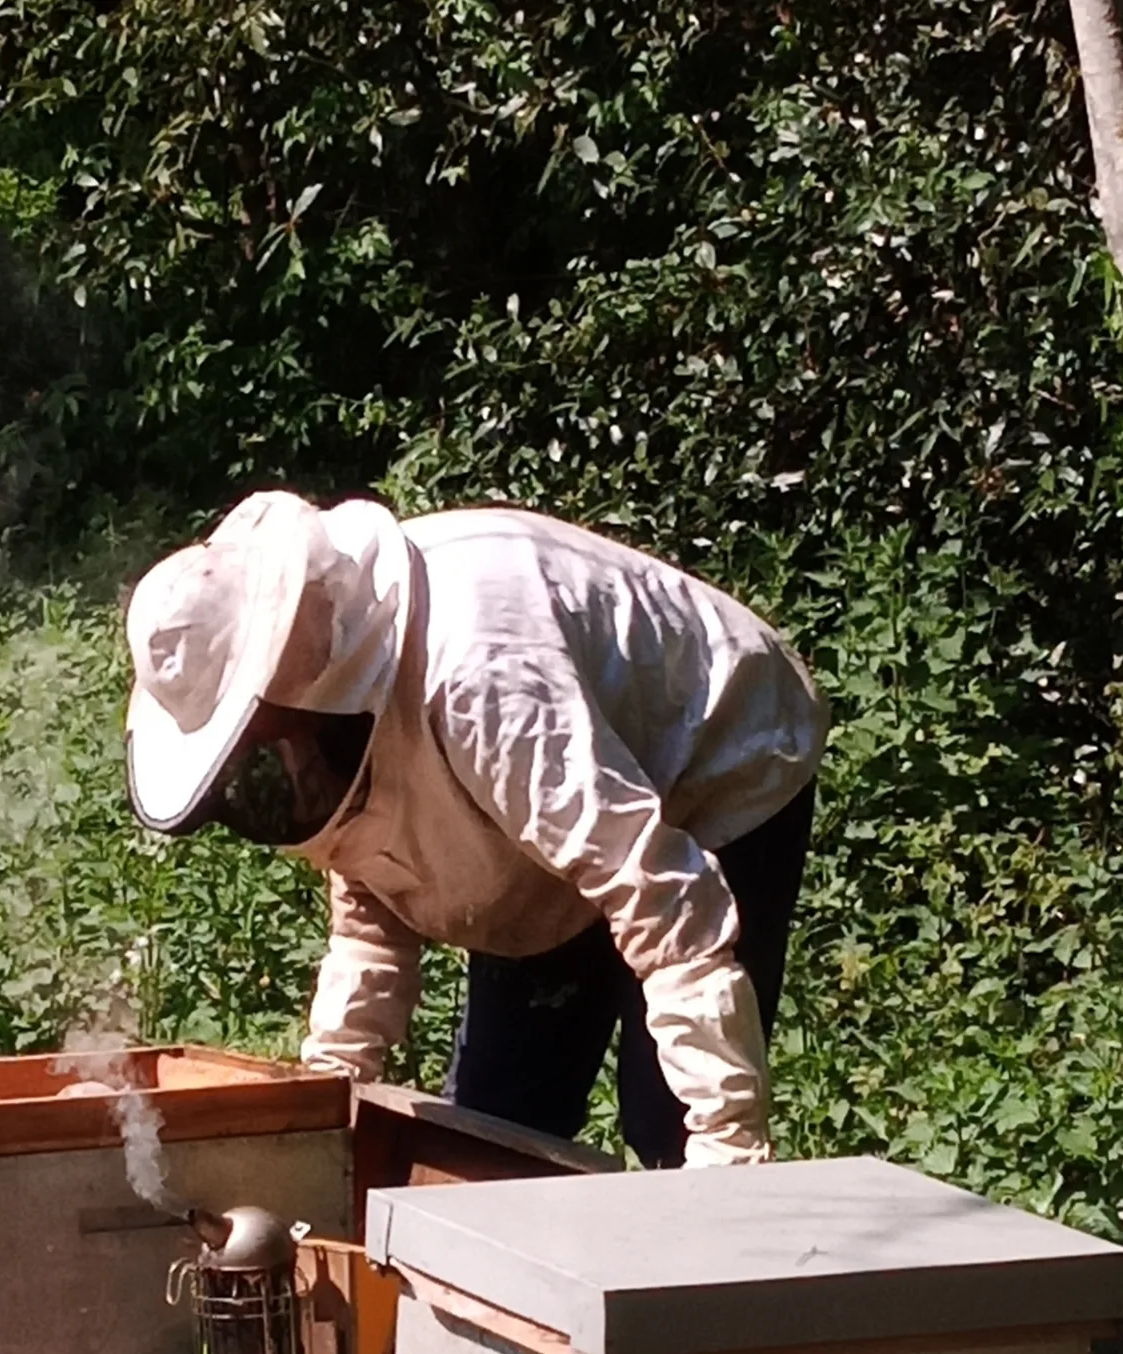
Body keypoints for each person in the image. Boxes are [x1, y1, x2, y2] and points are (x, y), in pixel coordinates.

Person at [123, 490, 828, 1167]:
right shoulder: (328, 699)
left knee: (669, 1123)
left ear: (297, 675)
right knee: (497, 1127)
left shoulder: (483, 680)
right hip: (550, 813)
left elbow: (653, 886)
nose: (290, 762)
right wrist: (330, 1090)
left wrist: (727, 1140)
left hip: (717, 753)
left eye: (277, 737)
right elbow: (371, 888)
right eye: (259, 747)